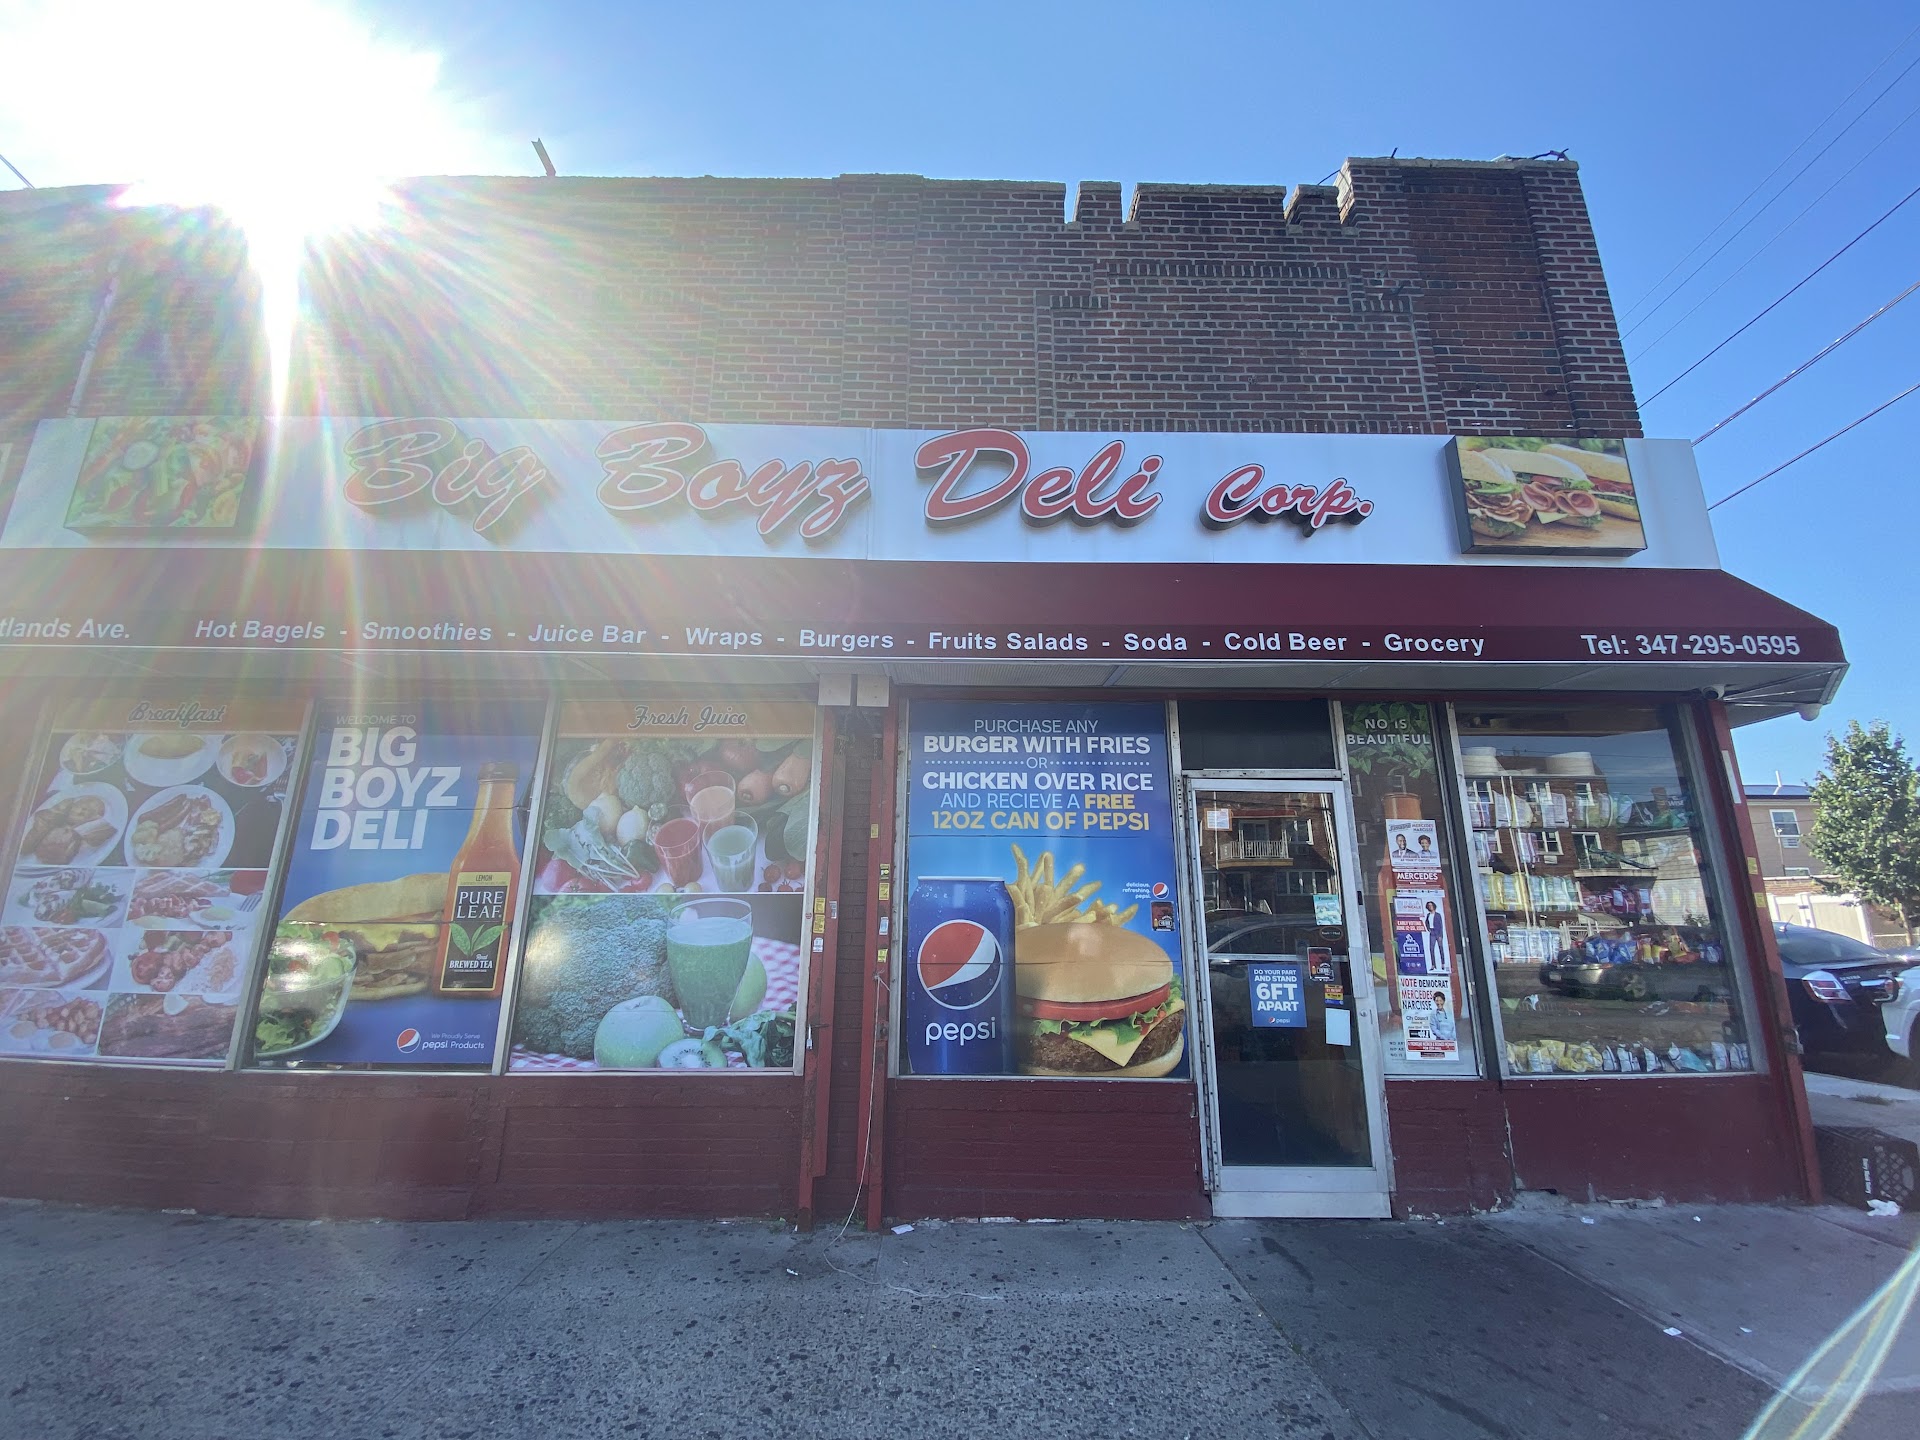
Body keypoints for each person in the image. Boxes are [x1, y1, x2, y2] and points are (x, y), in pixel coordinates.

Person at [1423, 900, 1450, 972]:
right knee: (1431, 948)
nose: (1430, 907)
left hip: (1438, 932)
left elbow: (1441, 925)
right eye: (1429, 906)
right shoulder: (1428, 915)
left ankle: (1443, 964)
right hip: (1432, 932)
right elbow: (1426, 922)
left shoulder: (1438, 915)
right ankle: (1433, 965)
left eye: (1431, 905)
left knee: (1440, 948)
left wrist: (1441, 935)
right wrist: (1428, 929)